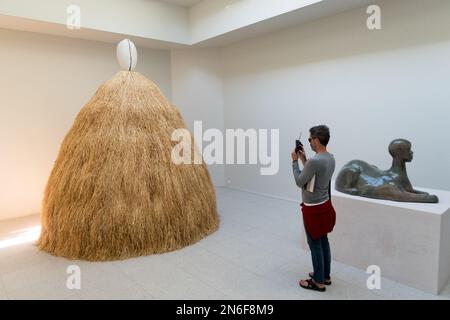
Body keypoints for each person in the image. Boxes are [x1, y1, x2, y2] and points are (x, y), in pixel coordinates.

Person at [291, 125, 336, 292]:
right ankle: (325, 275)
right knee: (323, 241)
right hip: (324, 205)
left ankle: (318, 282)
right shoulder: (329, 158)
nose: (309, 142)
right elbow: (314, 175)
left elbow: (299, 181)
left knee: (315, 243)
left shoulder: (315, 161)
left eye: (310, 139)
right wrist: (304, 159)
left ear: (316, 140)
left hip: (313, 209)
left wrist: (295, 161)